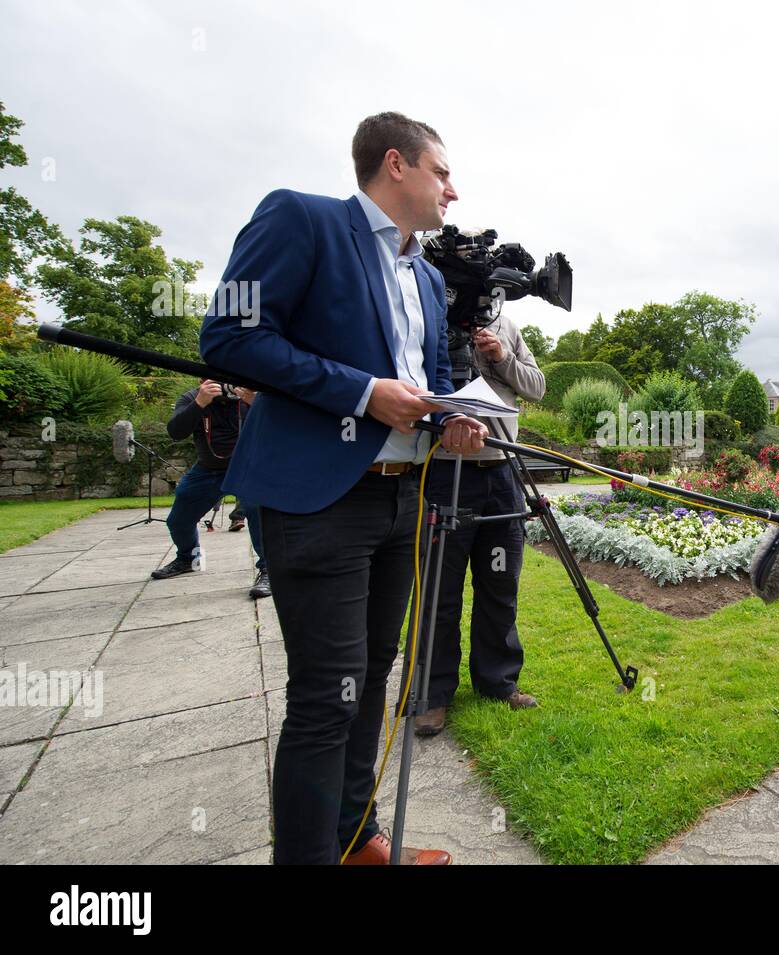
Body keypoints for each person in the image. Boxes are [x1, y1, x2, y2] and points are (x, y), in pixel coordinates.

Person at [200, 112, 488, 865]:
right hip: (318, 499)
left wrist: (455, 421)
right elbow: (229, 337)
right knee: (327, 698)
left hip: (402, 502)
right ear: (396, 164)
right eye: (443, 172)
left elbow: (436, 381)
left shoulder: (427, 274)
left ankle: (356, 838)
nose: (453, 191)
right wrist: (362, 393)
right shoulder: (300, 218)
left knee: (373, 678)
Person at [412, 314, 546, 737]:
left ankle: (498, 681)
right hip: (446, 473)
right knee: (439, 589)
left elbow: (537, 386)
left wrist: (503, 357)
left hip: (502, 470)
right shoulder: (428, 314)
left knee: (500, 583)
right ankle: (433, 695)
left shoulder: (507, 326)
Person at [151, 380, 270, 599]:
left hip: (248, 468)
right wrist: (199, 403)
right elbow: (175, 432)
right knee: (178, 520)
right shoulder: (193, 397)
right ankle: (188, 558)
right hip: (207, 470)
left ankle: (268, 570)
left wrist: (256, 403)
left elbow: (281, 426)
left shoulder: (251, 395)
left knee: (258, 513)